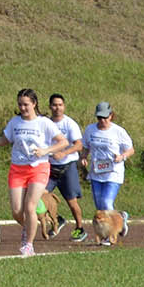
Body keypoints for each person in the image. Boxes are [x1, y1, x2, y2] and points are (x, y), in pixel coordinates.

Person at [0, 88, 67, 257]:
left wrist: (46, 150)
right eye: (20, 104)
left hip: (38, 168)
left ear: (34, 104)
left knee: (30, 207)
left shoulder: (44, 123)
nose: (23, 108)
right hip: (18, 169)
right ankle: (28, 228)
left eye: (26, 104)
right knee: (16, 211)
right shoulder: (15, 122)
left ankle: (28, 245)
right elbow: (4, 140)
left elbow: (63, 142)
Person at [83, 102, 134, 245]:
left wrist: (121, 157)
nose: (102, 120)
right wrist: (83, 157)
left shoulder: (118, 131)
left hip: (113, 172)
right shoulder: (90, 130)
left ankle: (109, 236)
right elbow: (86, 146)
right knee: (100, 206)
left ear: (111, 115)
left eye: (105, 117)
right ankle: (120, 218)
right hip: (96, 172)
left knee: (106, 202)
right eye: (99, 117)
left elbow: (130, 149)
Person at [43, 94, 87, 242]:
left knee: (71, 201)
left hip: (67, 167)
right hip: (49, 168)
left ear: (64, 106)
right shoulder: (45, 123)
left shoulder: (70, 124)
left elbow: (79, 145)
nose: (57, 108)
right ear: (50, 106)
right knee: (38, 198)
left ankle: (80, 228)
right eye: (54, 105)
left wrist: (64, 153)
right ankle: (57, 218)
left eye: (60, 105)